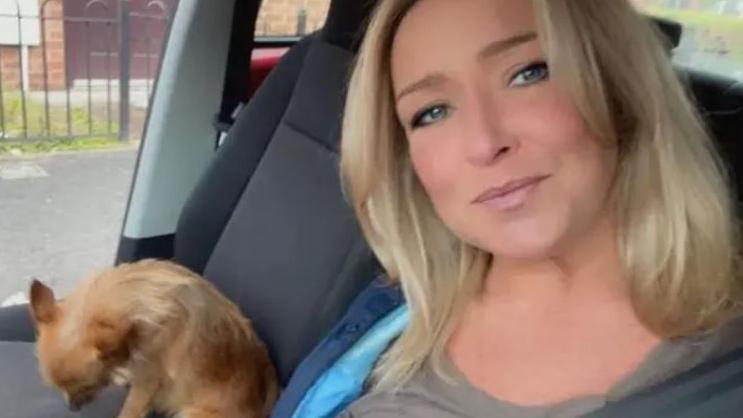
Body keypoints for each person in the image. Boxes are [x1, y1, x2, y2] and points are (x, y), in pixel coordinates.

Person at [336, 0, 743, 416]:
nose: (484, 143)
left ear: (619, 86)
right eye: (432, 112)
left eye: (529, 74)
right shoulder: (379, 327)